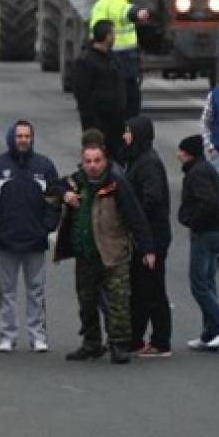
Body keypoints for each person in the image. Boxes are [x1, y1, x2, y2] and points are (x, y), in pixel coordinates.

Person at [54, 140, 154, 365]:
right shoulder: (76, 181)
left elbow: (136, 216)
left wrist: (147, 248)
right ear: (82, 162)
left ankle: (119, 344)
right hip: (86, 254)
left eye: (97, 160)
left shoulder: (116, 183)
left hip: (113, 253)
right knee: (86, 301)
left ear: (105, 160)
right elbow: (53, 186)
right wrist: (64, 195)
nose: (92, 165)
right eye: (88, 161)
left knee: (118, 302)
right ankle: (91, 343)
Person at [0, 120, 61, 354]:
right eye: (19, 136)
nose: (24, 140)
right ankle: (8, 335)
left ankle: (38, 336)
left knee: (36, 290)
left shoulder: (44, 165)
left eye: (27, 136)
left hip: (35, 240)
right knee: (7, 291)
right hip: (5, 241)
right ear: (11, 138)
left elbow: (54, 199)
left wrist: (47, 226)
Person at [177, 135, 219, 350]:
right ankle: (210, 332)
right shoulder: (204, 169)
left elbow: (208, 202)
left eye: (181, 151)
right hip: (214, 231)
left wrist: (192, 219)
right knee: (208, 282)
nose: (178, 155)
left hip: (205, 232)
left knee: (199, 284)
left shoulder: (197, 173)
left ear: (188, 153)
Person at [123, 116, 172, 357]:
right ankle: (135, 339)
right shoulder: (136, 160)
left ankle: (161, 341)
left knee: (153, 291)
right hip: (143, 237)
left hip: (151, 238)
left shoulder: (148, 164)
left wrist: (132, 216)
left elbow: (151, 201)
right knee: (141, 290)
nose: (125, 136)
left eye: (128, 132)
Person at [88, 0, 150, 119]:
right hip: (121, 58)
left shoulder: (102, 2)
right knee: (129, 99)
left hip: (104, 54)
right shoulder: (115, 2)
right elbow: (125, 11)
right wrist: (138, 13)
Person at [72, 20, 128, 163]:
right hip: (96, 123)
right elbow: (82, 93)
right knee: (96, 160)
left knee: (116, 160)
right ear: (107, 36)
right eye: (113, 33)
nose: (115, 37)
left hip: (116, 122)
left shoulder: (112, 58)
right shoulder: (86, 61)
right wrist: (91, 119)